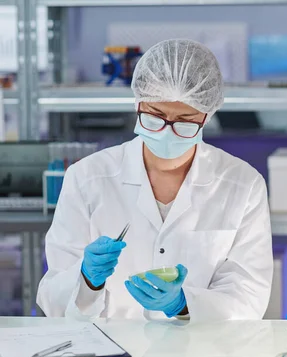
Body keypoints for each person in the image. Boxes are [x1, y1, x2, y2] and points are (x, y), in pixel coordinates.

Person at [38, 39, 273, 321]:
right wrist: (87, 279)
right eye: (155, 116)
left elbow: (249, 297)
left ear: (207, 115)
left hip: (201, 354)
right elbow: (53, 302)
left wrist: (185, 304)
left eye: (185, 121)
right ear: (138, 103)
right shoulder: (87, 177)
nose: (167, 132)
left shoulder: (243, 184)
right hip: (110, 355)